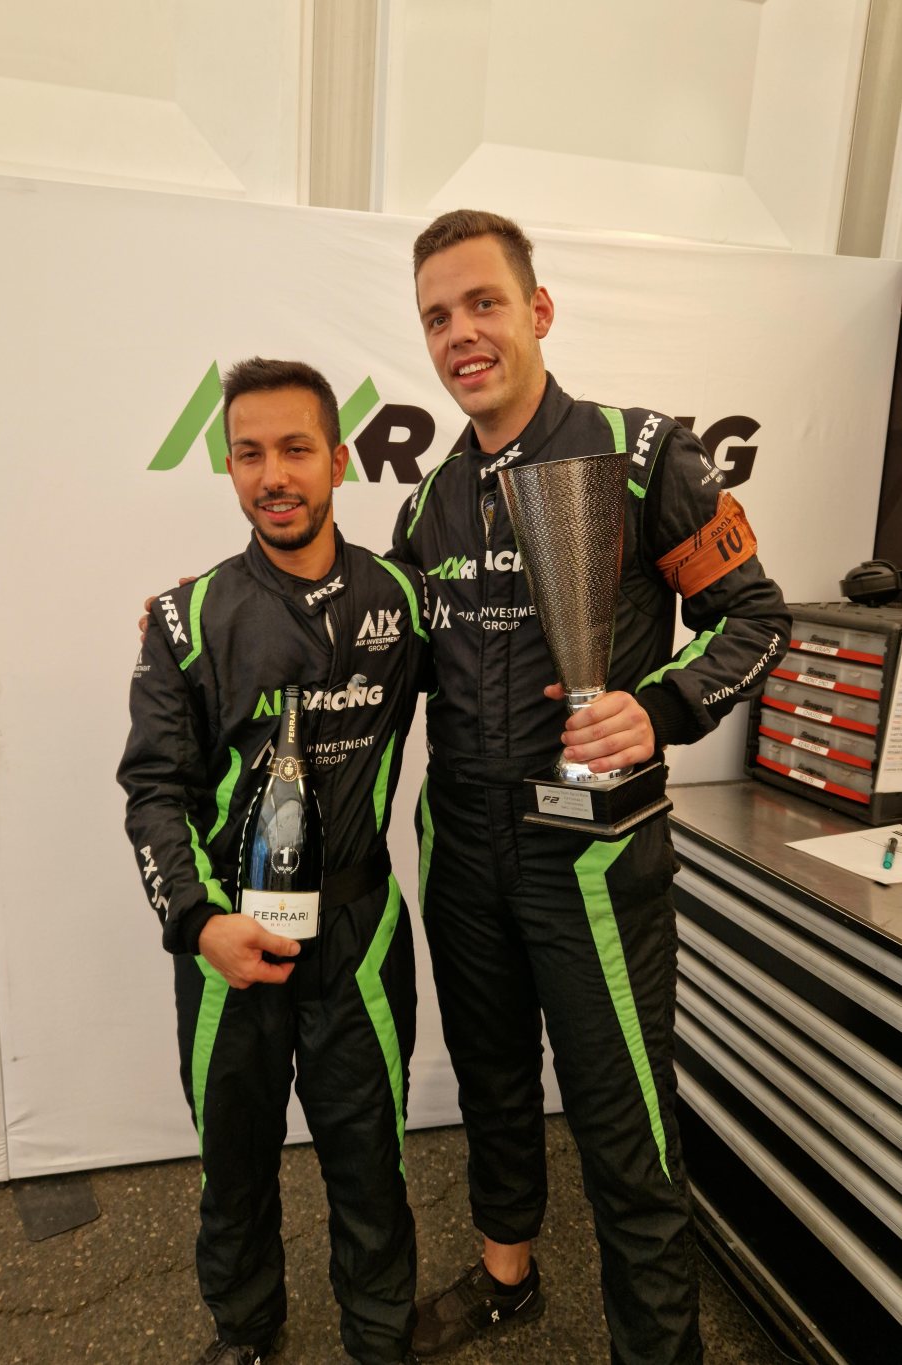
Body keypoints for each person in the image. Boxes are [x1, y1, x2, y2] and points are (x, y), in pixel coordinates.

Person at [393, 210, 789, 1364]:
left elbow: (756, 619)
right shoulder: (426, 503)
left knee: (624, 1124)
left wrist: (658, 709)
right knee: (492, 1083)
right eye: (437, 317)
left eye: (483, 303)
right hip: (462, 847)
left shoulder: (644, 451)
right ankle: (507, 1279)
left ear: (538, 311)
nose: (461, 334)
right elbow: (385, 657)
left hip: (594, 855)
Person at [117, 358, 430, 1365]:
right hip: (229, 941)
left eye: (296, 449)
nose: (273, 476)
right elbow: (153, 791)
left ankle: (379, 1338)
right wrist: (198, 922)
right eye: (249, 454)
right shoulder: (187, 619)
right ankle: (246, 1333)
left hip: (359, 935)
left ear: (338, 459)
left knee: (371, 1165)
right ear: (229, 466)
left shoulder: (403, 599)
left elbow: (505, 678)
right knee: (234, 1167)